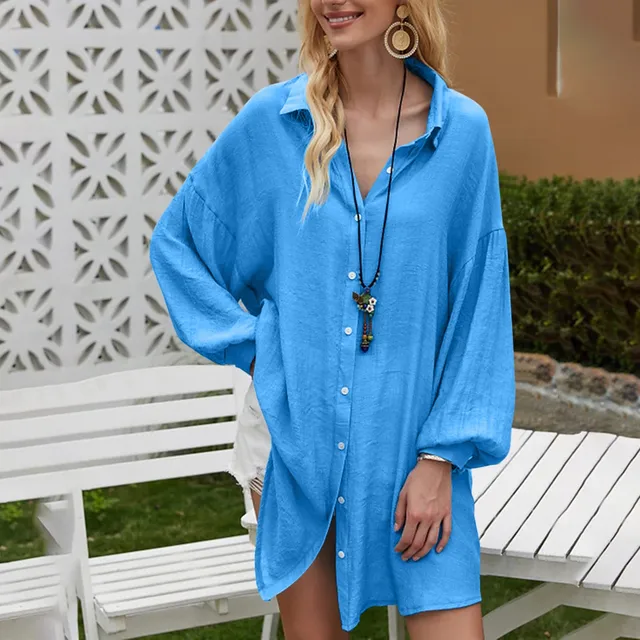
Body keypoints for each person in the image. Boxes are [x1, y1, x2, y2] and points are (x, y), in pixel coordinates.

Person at [149, 0, 517, 638]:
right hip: (294, 436)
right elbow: (179, 243)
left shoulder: (461, 134)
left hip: (414, 442)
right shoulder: (274, 123)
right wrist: (256, 347)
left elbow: (478, 307)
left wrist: (441, 458)